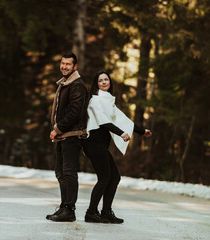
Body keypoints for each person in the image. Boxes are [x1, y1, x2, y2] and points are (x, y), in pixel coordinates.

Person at [83, 71, 152, 224]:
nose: (104, 82)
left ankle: (106, 212)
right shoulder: (95, 101)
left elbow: (122, 119)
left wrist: (142, 131)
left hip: (101, 145)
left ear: (110, 82)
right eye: (100, 80)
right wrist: (121, 133)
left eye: (106, 79)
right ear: (96, 84)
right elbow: (103, 122)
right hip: (93, 144)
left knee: (114, 177)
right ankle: (91, 213)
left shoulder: (108, 101)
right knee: (104, 178)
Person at [46, 53, 88, 222]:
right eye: (62, 63)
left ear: (75, 66)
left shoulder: (76, 85)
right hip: (64, 135)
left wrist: (57, 128)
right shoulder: (66, 83)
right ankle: (64, 207)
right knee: (60, 172)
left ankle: (69, 210)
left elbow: (75, 113)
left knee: (69, 172)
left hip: (72, 135)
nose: (64, 66)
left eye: (68, 64)